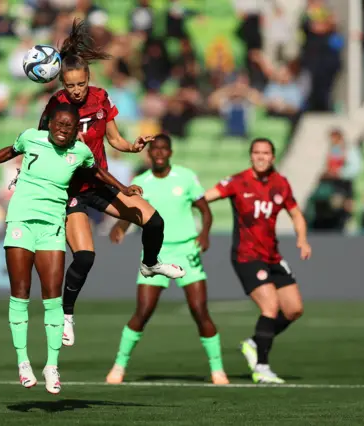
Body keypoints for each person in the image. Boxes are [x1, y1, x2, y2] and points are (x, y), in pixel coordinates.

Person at [0, 104, 142, 395]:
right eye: (59, 124)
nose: (63, 129)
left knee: (52, 296)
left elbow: (98, 175)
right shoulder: (31, 137)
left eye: (69, 127)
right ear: (51, 123)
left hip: (52, 227)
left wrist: (124, 189)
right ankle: (23, 362)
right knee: (19, 292)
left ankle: (52, 366)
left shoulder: (80, 152)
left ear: (74, 131)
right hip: (21, 221)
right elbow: (9, 151)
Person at [39, 20, 185, 347]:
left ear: (88, 79)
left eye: (81, 83)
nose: (76, 90)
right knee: (86, 257)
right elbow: (41, 144)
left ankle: (150, 265)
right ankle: (66, 315)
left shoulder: (101, 98)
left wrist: (132, 146)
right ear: (62, 82)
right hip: (70, 190)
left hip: (100, 184)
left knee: (154, 221)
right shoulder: (56, 106)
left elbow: (114, 139)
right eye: (70, 85)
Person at [105, 134, 230, 385]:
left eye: (164, 149)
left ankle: (218, 370)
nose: (159, 153)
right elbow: (131, 212)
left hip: (186, 250)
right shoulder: (141, 182)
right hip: (154, 253)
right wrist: (120, 226)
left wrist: (204, 233)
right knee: (143, 311)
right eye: (155, 149)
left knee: (199, 310)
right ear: (149, 154)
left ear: (170, 152)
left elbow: (205, 210)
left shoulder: (185, 177)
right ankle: (119, 366)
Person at [204, 138, 311, 384]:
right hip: (247, 256)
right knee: (270, 307)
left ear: (273, 157)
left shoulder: (280, 183)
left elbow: (296, 214)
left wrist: (302, 239)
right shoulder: (237, 181)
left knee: (294, 309)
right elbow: (205, 197)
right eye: (257, 152)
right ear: (251, 156)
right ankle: (262, 367)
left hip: (272, 256)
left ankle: (254, 342)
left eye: (266, 153)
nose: (261, 157)